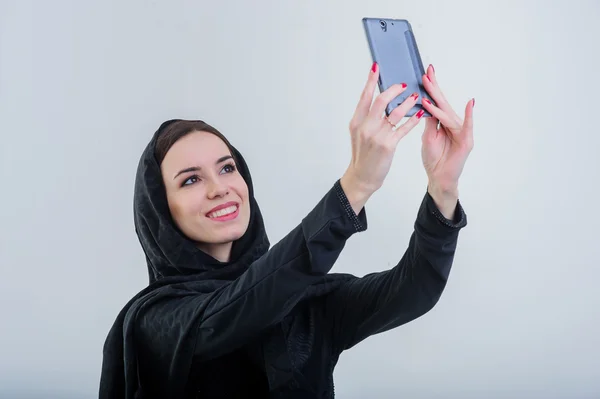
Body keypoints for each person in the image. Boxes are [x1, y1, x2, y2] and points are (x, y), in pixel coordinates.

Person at [99, 63, 474, 398]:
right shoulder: (157, 320)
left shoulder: (302, 298)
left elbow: (413, 289)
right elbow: (240, 309)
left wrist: (443, 190)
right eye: (191, 179)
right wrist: (354, 187)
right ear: (161, 212)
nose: (219, 188)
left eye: (227, 168)